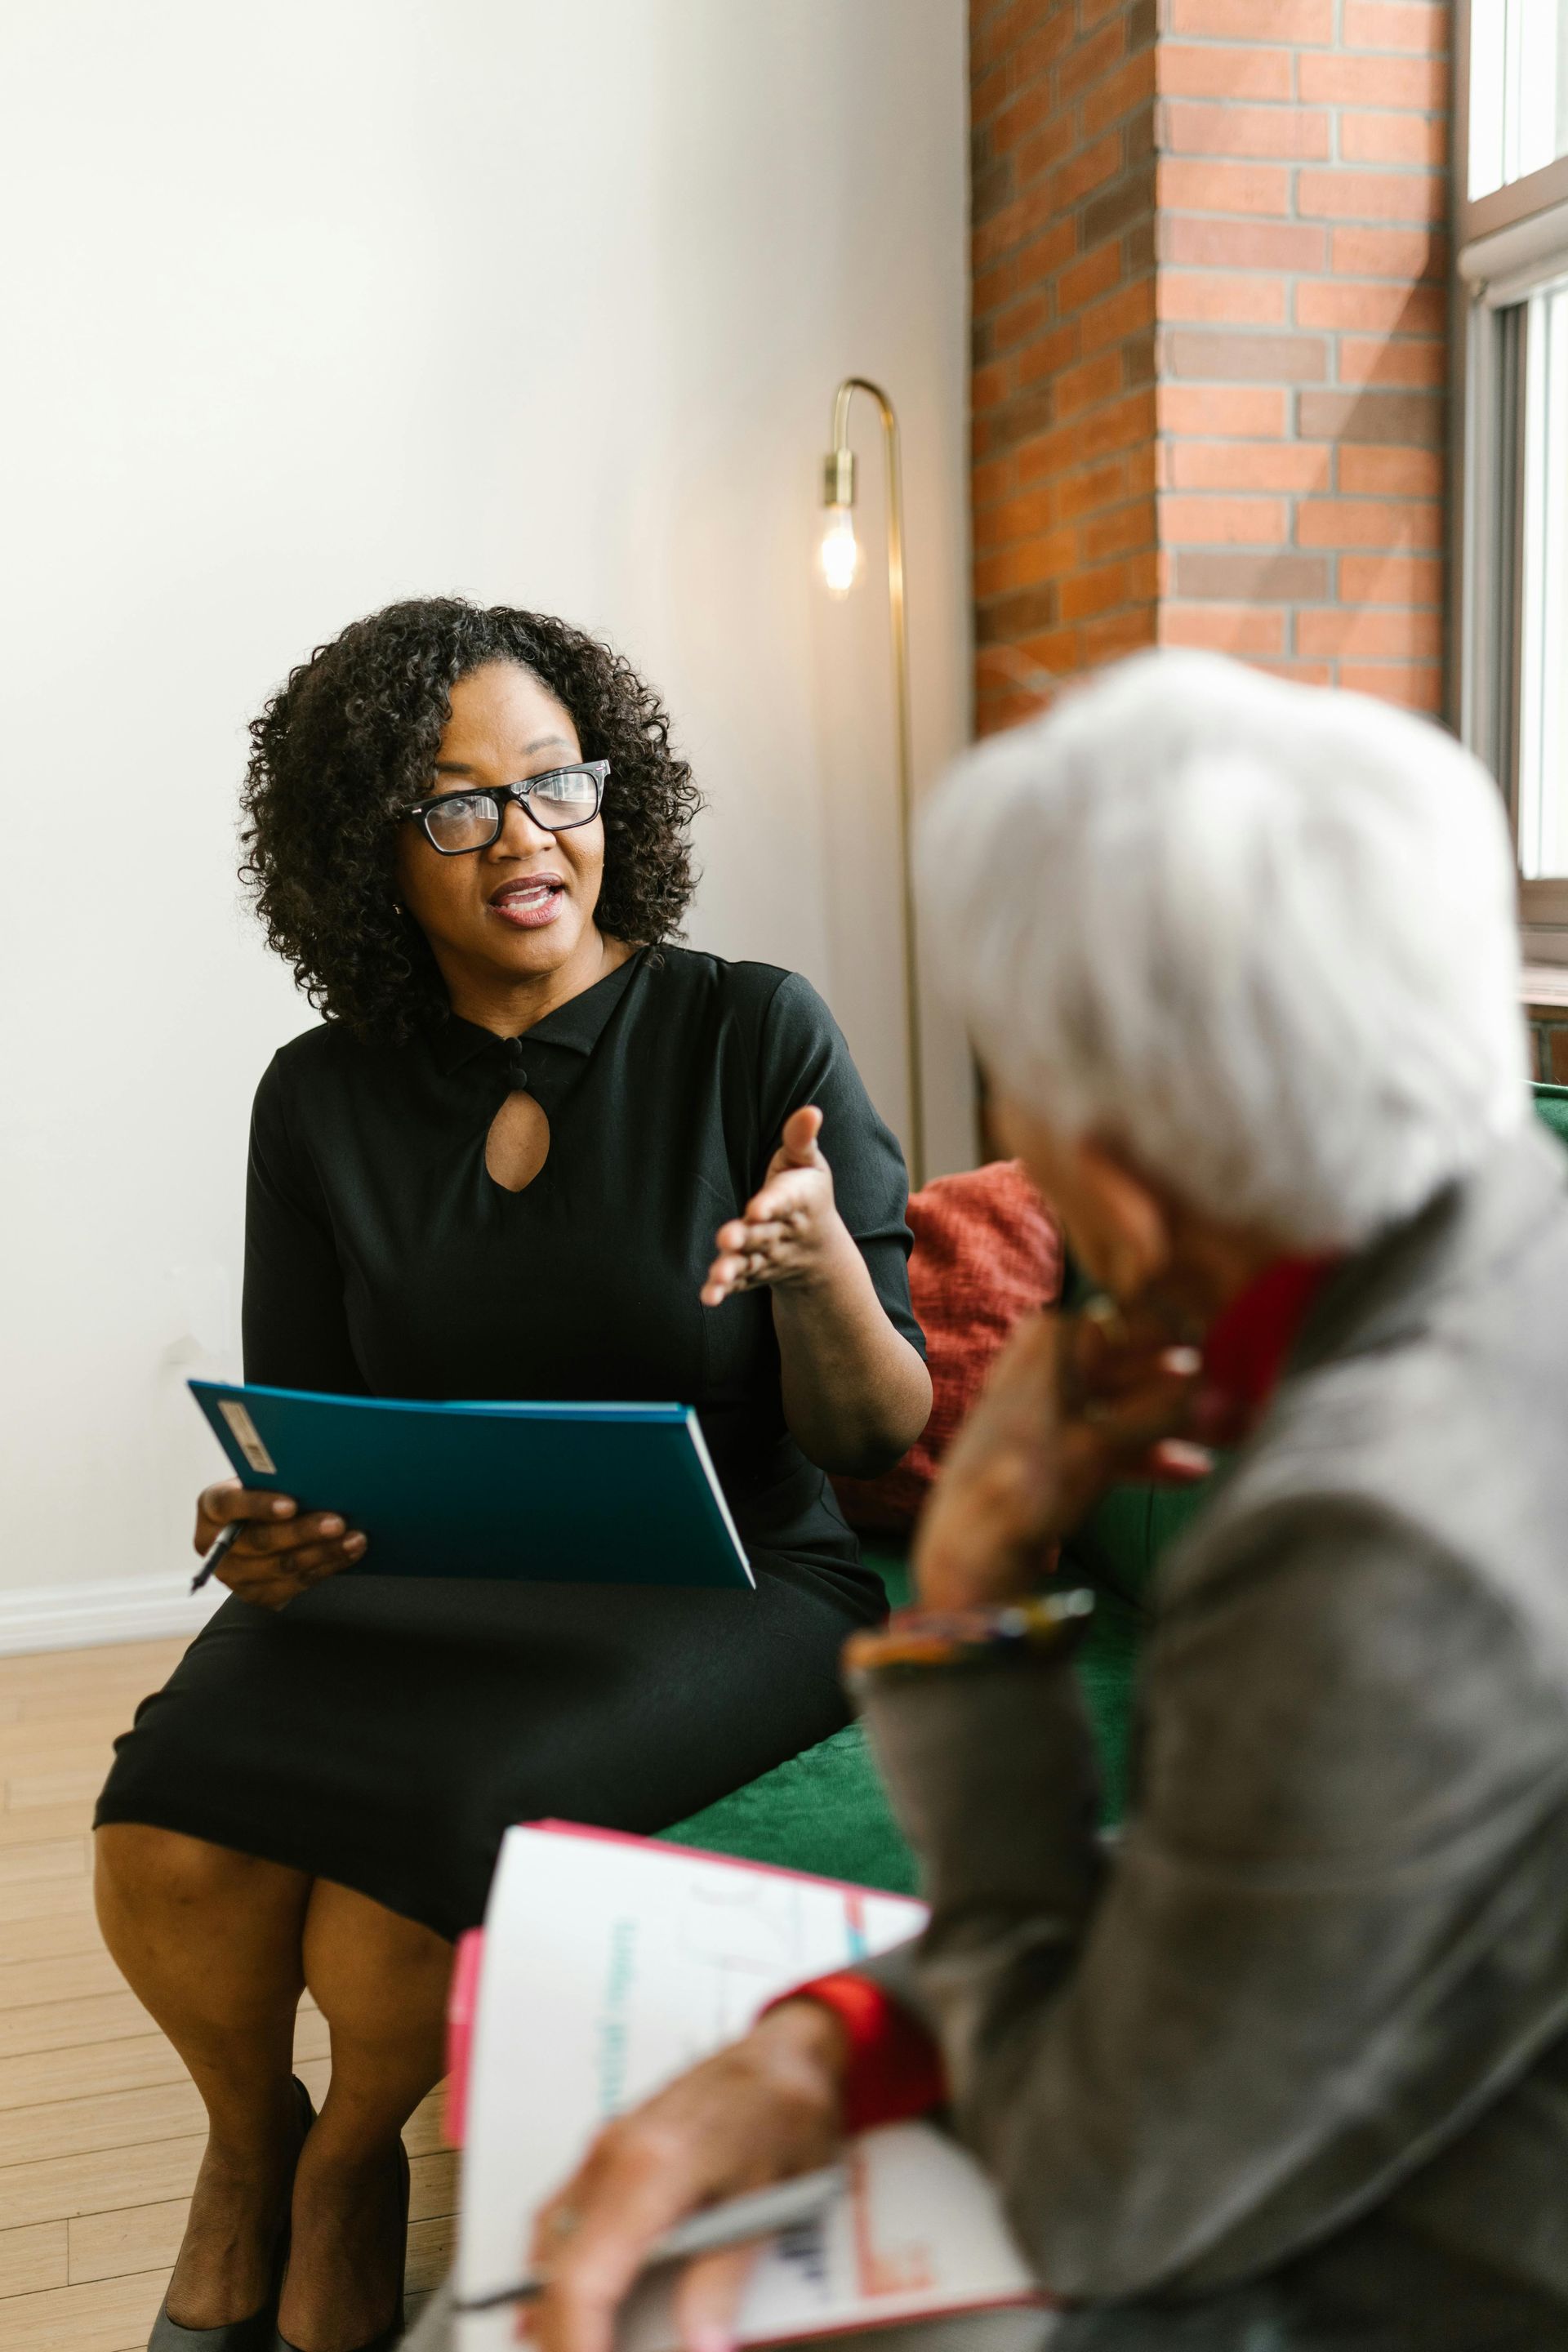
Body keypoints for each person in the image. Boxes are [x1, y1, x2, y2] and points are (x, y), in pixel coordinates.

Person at [451, 650, 1568, 2352]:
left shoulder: (1370, 1538)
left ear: (1107, 1159)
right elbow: (1275, 1877)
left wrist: (970, 1585)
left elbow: (1097, 2181)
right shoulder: (1513, 1236)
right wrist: (837, 2036)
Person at [92, 598, 932, 2352]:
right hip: (415, 1575)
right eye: (459, 803)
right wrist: (271, 1531)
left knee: (393, 1883)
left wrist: (817, 1274)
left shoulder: (751, 1031)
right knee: (166, 1830)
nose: (526, 838)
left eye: (558, 784)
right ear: (369, 848)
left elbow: (875, 1436)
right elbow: (309, 1418)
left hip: (733, 1581)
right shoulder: (317, 1096)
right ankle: (253, 2146)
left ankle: (352, 2168)